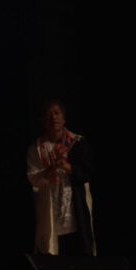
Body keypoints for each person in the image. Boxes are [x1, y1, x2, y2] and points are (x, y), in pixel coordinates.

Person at [26, 100, 95, 256]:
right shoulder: (36, 148)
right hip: (50, 214)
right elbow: (33, 179)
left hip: (75, 212)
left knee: (80, 255)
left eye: (57, 113)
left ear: (64, 118)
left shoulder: (77, 142)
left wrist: (66, 166)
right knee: (53, 257)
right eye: (48, 114)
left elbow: (88, 172)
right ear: (43, 121)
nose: (53, 117)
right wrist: (50, 170)